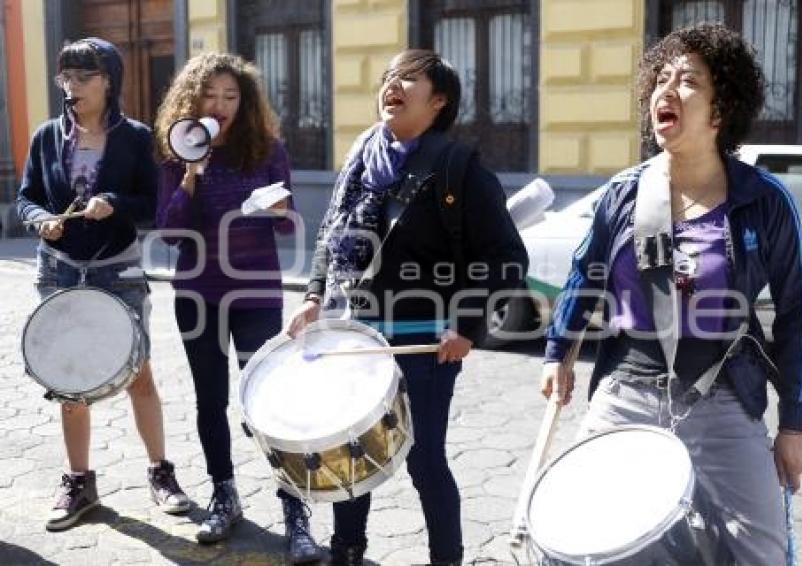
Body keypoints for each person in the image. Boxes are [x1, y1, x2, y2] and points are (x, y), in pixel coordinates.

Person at [540, 23, 802, 565]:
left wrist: (793, 424)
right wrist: (559, 353)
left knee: (760, 553)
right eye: (660, 78)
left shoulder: (764, 201)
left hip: (723, 399)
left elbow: (798, 310)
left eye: (689, 80)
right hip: (625, 396)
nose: (667, 90)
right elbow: (584, 276)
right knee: (586, 544)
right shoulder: (623, 194)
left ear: (722, 109)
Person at [285, 49, 529, 566]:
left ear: (438, 101)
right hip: (354, 337)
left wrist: (469, 326)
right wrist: (311, 297)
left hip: (425, 343)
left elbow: (507, 257)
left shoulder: (458, 167)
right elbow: (332, 236)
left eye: (409, 79)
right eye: (390, 76)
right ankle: (347, 550)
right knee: (351, 452)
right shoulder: (361, 158)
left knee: (424, 459)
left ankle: (447, 558)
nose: (393, 85)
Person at [16, 38, 189, 531]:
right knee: (69, 378)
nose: (71, 87)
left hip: (118, 265)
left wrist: (113, 200)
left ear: (108, 81)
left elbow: (153, 205)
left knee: (138, 373)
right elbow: (24, 199)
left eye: (82, 77)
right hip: (60, 268)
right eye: (65, 78)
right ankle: (79, 482)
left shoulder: (136, 138)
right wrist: (39, 220)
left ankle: (160, 473)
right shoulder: (46, 136)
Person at [154, 52, 321, 561]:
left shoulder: (265, 149)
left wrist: (281, 209)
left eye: (231, 97)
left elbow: (289, 223)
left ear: (244, 103)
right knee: (211, 400)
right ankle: (223, 495)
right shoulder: (174, 151)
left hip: (256, 293)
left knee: (270, 403)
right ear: (193, 99)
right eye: (211, 95)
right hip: (198, 294)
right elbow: (170, 231)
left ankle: (296, 513)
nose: (221, 105)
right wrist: (189, 174)